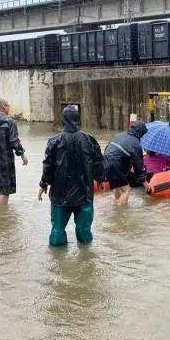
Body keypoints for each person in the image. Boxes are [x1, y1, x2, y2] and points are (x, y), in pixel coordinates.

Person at [38, 105, 104, 246]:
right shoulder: (89, 139)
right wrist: (100, 179)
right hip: (84, 192)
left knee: (57, 231)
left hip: (60, 194)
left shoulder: (54, 141)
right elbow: (98, 162)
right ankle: (86, 261)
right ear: (78, 119)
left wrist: (44, 184)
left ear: (63, 120)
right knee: (83, 231)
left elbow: (48, 165)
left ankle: (57, 262)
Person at [103, 121, 149, 205]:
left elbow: (109, 149)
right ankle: (121, 213)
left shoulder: (119, 135)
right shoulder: (136, 144)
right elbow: (138, 165)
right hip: (115, 164)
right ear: (141, 133)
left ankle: (116, 205)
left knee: (118, 187)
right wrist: (144, 181)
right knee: (126, 189)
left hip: (105, 161)